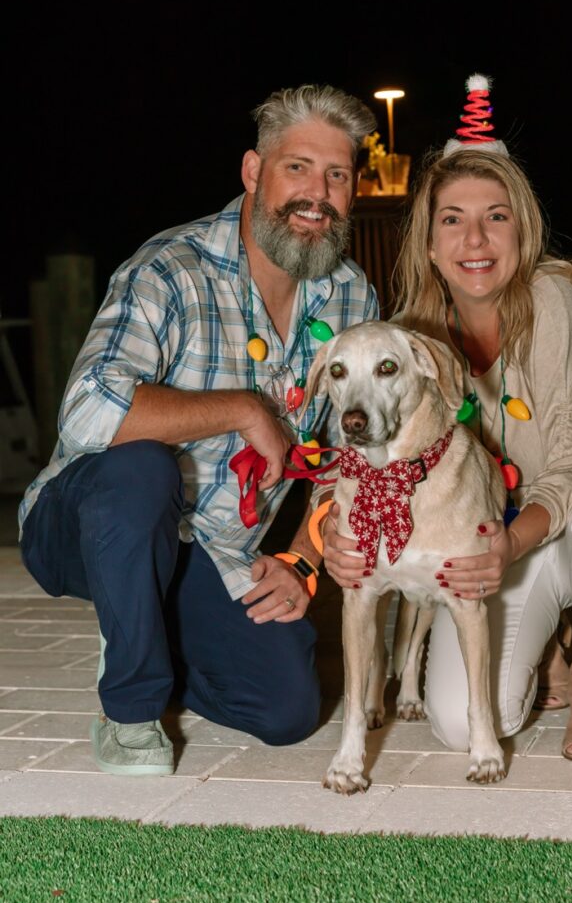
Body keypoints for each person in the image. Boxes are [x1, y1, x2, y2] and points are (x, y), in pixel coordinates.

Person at [18, 83, 379, 776]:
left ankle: (146, 626)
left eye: (337, 174)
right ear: (252, 171)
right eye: (297, 167)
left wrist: (304, 557)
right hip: (83, 520)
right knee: (141, 469)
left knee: (287, 709)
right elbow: (87, 410)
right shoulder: (170, 267)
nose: (318, 193)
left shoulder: (352, 294)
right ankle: (130, 708)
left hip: (210, 547)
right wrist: (243, 407)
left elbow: (349, 457)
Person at [322, 75, 572, 762]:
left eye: (495, 215)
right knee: (461, 726)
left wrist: (508, 546)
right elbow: (364, 445)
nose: (474, 237)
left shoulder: (553, 301)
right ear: (428, 240)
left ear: (522, 228)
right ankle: (545, 636)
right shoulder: (407, 339)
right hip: (490, 551)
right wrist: (327, 530)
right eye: (451, 218)